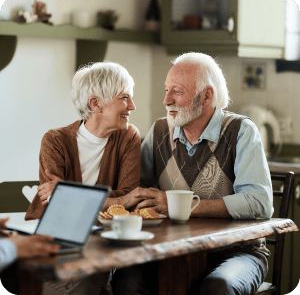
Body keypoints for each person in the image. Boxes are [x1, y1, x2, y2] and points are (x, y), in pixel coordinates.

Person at [111, 52, 274, 295]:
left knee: (218, 288)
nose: (166, 100)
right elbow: (134, 192)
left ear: (206, 95)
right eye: (166, 90)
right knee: (125, 281)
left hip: (236, 252)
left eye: (177, 91)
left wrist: (182, 206)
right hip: (171, 251)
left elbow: (260, 203)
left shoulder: (241, 131)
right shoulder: (159, 132)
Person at [24, 61, 143, 295]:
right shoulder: (55, 141)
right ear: (95, 103)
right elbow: (61, 208)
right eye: (124, 98)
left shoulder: (129, 137)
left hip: (103, 246)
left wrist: (70, 192)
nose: (132, 106)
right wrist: (119, 201)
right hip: (56, 246)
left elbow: (130, 196)